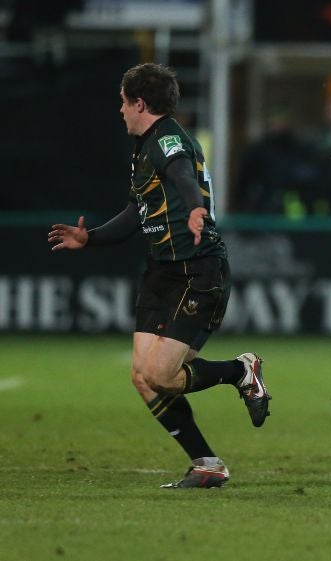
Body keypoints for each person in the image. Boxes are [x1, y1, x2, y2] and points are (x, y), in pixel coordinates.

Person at [47, 63, 270, 489]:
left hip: (198, 269)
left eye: (123, 102)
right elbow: (138, 212)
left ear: (140, 103)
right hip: (161, 271)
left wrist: (195, 206)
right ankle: (207, 463)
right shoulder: (146, 144)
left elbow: (182, 172)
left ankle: (241, 372)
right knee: (142, 376)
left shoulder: (166, 138)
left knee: (163, 375)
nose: (120, 111)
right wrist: (88, 238)